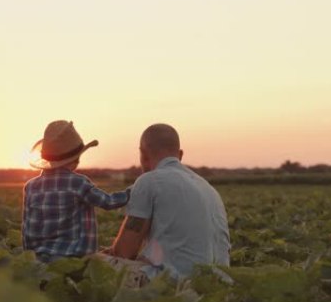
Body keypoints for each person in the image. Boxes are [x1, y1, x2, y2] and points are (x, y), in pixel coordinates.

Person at [103, 123, 231, 283]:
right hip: (219, 284)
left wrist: (106, 253)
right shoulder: (209, 189)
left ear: (143, 154)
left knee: (91, 262)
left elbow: (124, 252)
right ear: (180, 155)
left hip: (175, 284)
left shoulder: (149, 181)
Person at [22, 120, 129, 263]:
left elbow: (26, 227)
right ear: (75, 160)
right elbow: (108, 202)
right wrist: (133, 192)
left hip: (39, 259)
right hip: (74, 260)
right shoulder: (77, 182)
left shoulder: (31, 186)